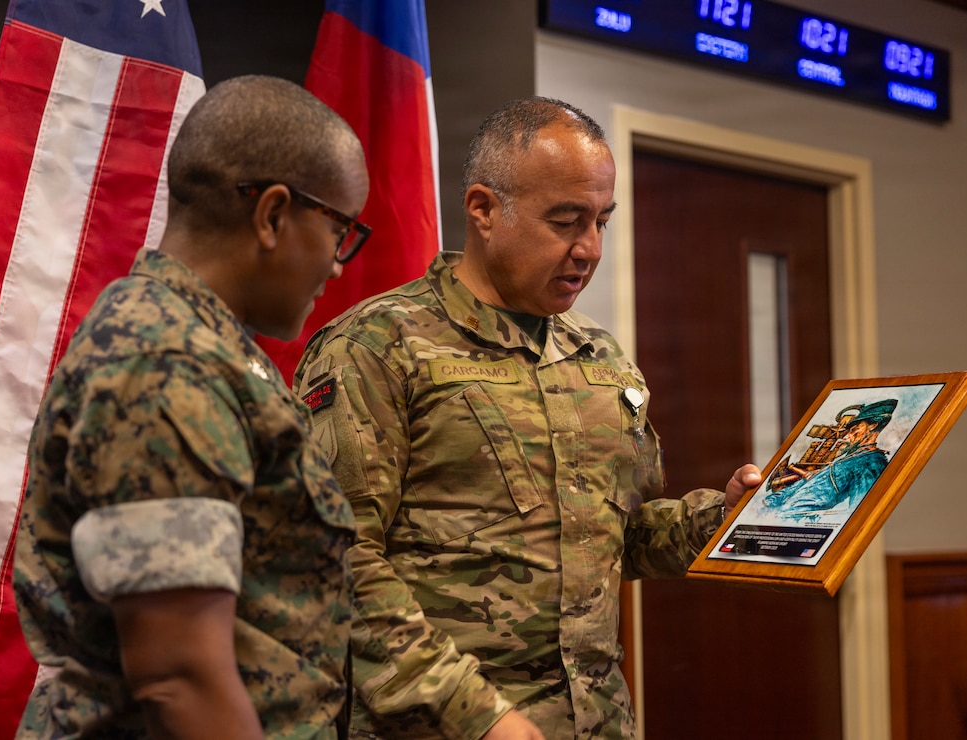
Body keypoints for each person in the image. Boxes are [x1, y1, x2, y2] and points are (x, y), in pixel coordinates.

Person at [293, 96, 762, 739]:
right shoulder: (376, 346)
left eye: (602, 220)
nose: (589, 249)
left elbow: (612, 539)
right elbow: (337, 559)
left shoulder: (599, 355)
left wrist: (720, 519)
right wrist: (480, 719)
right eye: (566, 221)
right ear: (484, 210)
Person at [12, 75, 370, 738]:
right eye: (340, 229)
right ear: (272, 215)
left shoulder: (206, 347)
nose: (340, 264)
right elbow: (178, 678)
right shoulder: (164, 361)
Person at [762, 399, 896, 520]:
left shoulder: (872, 462)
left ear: (873, 425)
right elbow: (810, 484)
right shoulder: (848, 457)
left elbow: (859, 513)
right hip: (778, 516)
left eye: (854, 429)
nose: (845, 437)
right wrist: (773, 500)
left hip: (800, 523)